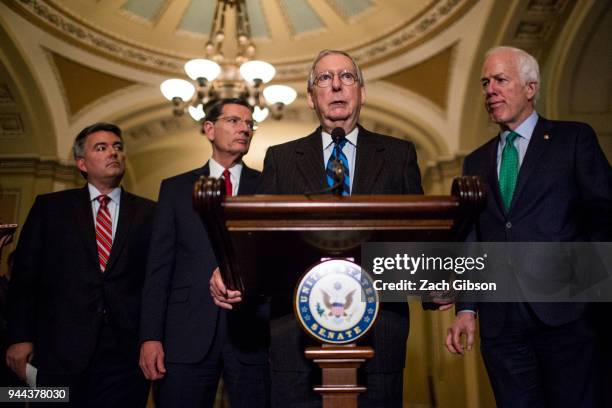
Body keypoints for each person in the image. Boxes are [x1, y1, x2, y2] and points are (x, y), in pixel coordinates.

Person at [210, 50, 423, 408]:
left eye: (347, 77)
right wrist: (232, 269)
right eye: (324, 79)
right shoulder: (280, 158)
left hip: (380, 330)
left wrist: (442, 283)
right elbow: (259, 235)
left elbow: (418, 231)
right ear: (311, 98)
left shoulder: (399, 154)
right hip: (295, 332)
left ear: (362, 92)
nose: (337, 85)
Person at [445, 46, 612, 407]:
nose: (490, 89)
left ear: (531, 87)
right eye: (485, 82)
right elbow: (474, 239)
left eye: (501, 80)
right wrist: (466, 308)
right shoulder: (476, 161)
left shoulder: (573, 139)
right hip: (501, 324)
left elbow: (604, 217)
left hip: (568, 316)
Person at [6, 122, 155, 406]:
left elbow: (156, 282)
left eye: (118, 147)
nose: (113, 153)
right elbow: (26, 277)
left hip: (125, 354)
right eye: (102, 148)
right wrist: (20, 336)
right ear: (82, 163)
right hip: (58, 349)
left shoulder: (150, 212)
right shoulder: (50, 208)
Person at [139, 98, 268, 408]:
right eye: (235, 121)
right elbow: (159, 268)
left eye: (249, 124)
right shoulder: (175, 189)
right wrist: (150, 337)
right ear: (209, 129)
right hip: (186, 331)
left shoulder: (268, 186)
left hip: (252, 330)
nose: (245, 130)